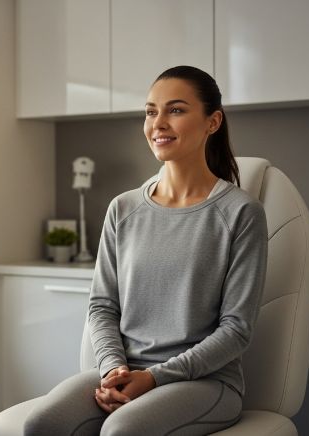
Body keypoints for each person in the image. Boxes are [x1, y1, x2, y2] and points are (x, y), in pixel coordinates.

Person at [24, 65, 268, 435]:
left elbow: (236, 330)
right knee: (43, 424)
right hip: (126, 370)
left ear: (212, 122)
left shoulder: (240, 213)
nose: (159, 122)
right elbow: (102, 306)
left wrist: (153, 378)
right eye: (151, 111)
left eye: (176, 110)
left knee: (122, 431)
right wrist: (112, 369)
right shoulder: (123, 208)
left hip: (205, 382)